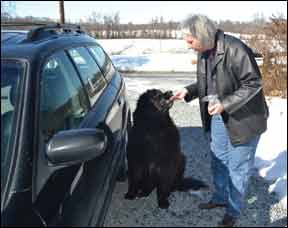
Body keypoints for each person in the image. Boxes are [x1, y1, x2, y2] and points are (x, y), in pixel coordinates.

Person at [170, 15, 269, 227]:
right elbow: (206, 83)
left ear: (202, 35)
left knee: (238, 168)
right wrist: (187, 91)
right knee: (219, 160)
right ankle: (221, 197)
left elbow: (254, 84)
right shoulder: (204, 52)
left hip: (245, 119)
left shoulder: (236, 49)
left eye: (190, 41)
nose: (188, 46)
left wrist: (225, 104)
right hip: (219, 116)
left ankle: (233, 210)